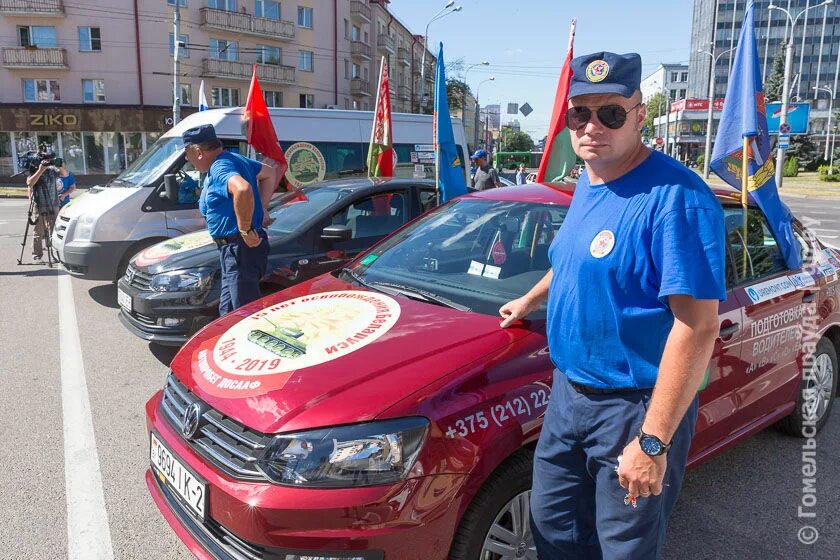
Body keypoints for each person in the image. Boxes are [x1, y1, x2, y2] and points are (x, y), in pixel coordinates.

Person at [498, 51, 725, 559]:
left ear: (640, 116)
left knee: (623, 548)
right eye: (580, 113)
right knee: (554, 531)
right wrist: (531, 297)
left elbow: (698, 326)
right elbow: (575, 259)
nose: (592, 126)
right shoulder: (590, 179)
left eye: (611, 113)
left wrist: (652, 443)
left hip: (634, 407)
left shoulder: (676, 198)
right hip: (568, 396)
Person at [182, 124, 277, 315]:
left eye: (187, 154)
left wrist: (246, 229)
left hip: (239, 248)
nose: (186, 159)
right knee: (228, 313)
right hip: (234, 251)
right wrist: (262, 208)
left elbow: (242, 189)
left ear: (198, 151)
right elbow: (269, 173)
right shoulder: (233, 159)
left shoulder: (220, 166)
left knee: (243, 315)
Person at [25, 149, 61, 262]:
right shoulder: (35, 168)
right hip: (39, 203)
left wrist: (59, 164)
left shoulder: (52, 169)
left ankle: (55, 254)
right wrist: (40, 170)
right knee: (38, 230)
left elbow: (64, 173)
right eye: (45, 159)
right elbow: (30, 183)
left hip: (53, 203)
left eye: (49, 159)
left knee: (54, 230)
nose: (47, 161)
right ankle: (37, 255)